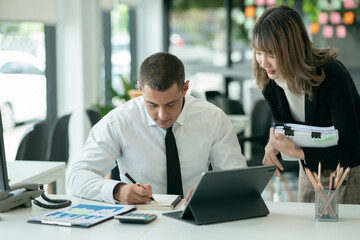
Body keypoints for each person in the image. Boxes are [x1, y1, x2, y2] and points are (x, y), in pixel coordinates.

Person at [68, 52, 247, 205]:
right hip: (140, 220)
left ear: (185, 88)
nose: (162, 115)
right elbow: (77, 177)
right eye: (152, 104)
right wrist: (118, 191)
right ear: (140, 89)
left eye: (171, 104)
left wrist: (213, 190)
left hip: (196, 216)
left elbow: (237, 177)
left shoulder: (213, 118)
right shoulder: (119, 121)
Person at [251, 5, 360, 204]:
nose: (263, 63)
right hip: (310, 173)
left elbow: (352, 152)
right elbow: (285, 128)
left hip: (349, 174)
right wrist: (274, 144)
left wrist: (296, 153)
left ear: (292, 49)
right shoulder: (269, 83)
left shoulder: (331, 76)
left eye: (272, 55)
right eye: (259, 53)